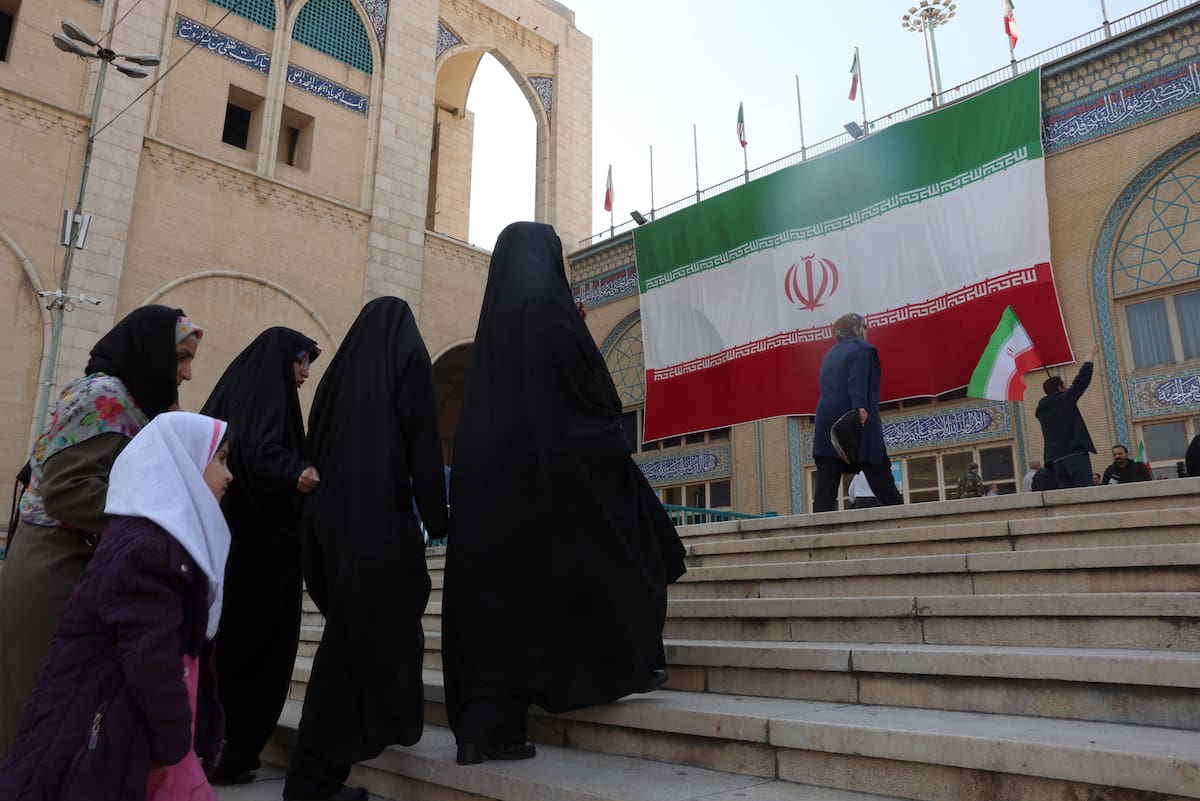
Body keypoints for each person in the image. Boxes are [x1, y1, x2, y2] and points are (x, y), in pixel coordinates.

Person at [442, 222, 686, 766]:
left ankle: (487, 729)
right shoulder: (547, 310)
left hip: (491, 490)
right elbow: (596, 398)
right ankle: (630, 661)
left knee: (500, 607)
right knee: (622, 551)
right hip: (559, 474)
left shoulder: (494, 331)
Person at [0, 305, 201, 758]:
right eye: (181, 358)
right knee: (38, 719)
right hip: (55, 567)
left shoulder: (127, 399)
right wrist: (159, 518)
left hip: (78, 564)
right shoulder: (104, 394)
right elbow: (69, 492)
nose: (186, 373)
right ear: (151, 351)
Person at [0, 412, 231, 801]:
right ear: (184, 463)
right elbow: (150, 658)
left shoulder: (160, 541)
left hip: (135, 736)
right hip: (117, 739)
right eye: (221, 459)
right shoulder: (148, 549)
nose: (229, 476)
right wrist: (173, 744)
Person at [283, 298, 448, 801]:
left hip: (327, 527)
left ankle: (394, 725)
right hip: (376, 524)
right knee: (356, 644)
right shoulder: (406, 357)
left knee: (386, 630)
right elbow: (423, 438)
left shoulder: (336, 376)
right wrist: (437, 516)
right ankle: (313, 778)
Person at [200, 327, 322, 785]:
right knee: (254, 653)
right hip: (257, 554)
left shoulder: (246, 389)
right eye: (300, 361)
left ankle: (222, 748)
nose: (305, 372)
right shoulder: (264, 396)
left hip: (235, 546)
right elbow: (257, 448)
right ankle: (229, 752)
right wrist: (299, 471)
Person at [812, 313, 904, 513]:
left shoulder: (831, 353)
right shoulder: (862, 349)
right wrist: (860, 406)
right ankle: (901, 516)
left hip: (828, 422)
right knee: (877, 466)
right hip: (852, 420)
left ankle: (817, 530)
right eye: (865, 326)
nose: (866, 330)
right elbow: (857, 379)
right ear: (856, 329)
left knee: (827, 482)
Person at [1035, 344, 1100, 489]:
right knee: (1085, 494)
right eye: (1063, 386)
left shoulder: (1042, 411)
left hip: (1055, 460)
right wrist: (1090, 355)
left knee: (1068, 498)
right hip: (1075, 456)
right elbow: (1081, 381)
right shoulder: (1064, 400)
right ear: (1060, 388)